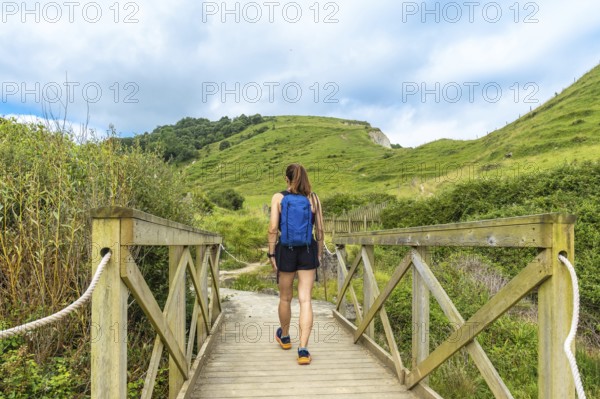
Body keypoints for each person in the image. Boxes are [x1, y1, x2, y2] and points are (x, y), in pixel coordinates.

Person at [267, 163, 324, 365]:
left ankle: (284, 337)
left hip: (286, 250)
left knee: (285, 298)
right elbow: (320, 231)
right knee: (305, 300)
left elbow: (273, 228)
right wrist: (317, 254)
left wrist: (272, 253)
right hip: (307, 250)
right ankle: (303, 349)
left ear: (286, 179)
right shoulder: (314, 198)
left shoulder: (278, 197)